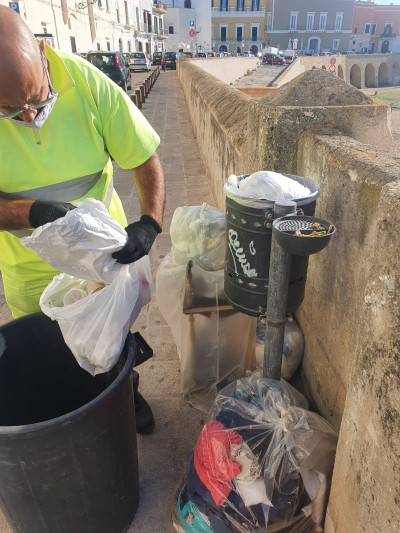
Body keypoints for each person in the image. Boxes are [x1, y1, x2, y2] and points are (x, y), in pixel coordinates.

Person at [0, 6, 165, 434]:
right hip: (28, 268)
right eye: (9, 111)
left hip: (101, 260)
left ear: (43, 52)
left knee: (111, 337)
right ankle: (68, 416)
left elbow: (145, 158)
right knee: (47, 348)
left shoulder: (87, 83)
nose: (30, 115)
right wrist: (30, 213)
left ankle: (126, 393)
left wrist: (149, 222)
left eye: (36, 98)